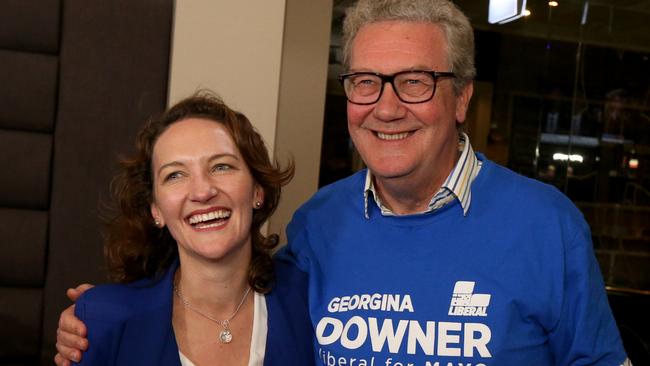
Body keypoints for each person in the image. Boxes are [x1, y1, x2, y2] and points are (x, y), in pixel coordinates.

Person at [56, 0, 631, 365]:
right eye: (364, 82)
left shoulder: (548, 225)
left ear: (462, 97)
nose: (385, 108)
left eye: (414, 81)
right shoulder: (317, 224)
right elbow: (221, 277)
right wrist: (107, 317)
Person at [54, 92, 314, 365]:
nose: (202, 192)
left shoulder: (311, 304)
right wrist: (95, 311)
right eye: (175, 175)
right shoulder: (101, 320)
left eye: (221, 166)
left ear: (257, 190)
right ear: (156, 209)